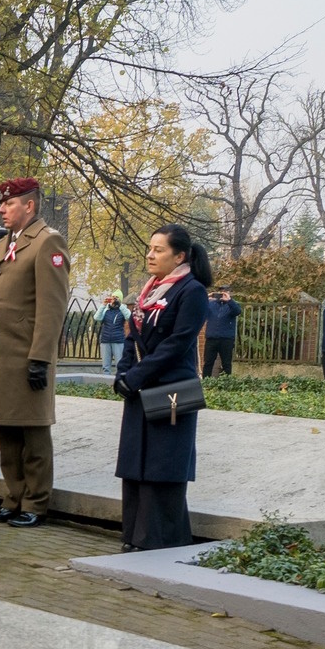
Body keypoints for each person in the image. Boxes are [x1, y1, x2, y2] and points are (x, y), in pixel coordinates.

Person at [114, 223, 211, 551]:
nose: (150, 255)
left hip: (172, 390)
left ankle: (158, 539)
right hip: (141, 388)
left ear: (179, 255)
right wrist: (123, 371)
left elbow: (178, 343)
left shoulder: (191, 291)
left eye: (158, 250)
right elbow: (134, 334)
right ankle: (134, 536)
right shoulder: (150, 290)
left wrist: (137, 375)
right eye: (150, 248)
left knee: (162, 465)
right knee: (137, 462)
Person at [0, 177, 70, 527]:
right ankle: (14, 497)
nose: (1, 210)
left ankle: (35, 502)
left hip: (27, 356)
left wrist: (40, 358)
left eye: (8, 204)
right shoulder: (5, 244)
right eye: (1, 205)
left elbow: (52, 308)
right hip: (0, 356)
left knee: (33, 436)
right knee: (6, 432)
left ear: (29, 206)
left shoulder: (48, 242)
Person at [203, 284, 240, 377]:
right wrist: (206, 297)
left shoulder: (233, 305)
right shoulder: (211, 304)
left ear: (230, 293)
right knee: (208, 362)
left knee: (226, 363)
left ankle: (226, 384)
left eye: (226, 291)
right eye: (221, 291)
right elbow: (197, 308)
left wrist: (229, 301)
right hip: (211, 338)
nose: (223, 294)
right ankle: (206, 383)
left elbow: (237, 311)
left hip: (226, 339)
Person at [98, 294, 128, 377]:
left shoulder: (122, 310)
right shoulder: (106, 310)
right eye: (113, 297)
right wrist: (103, 304)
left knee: (120, 365)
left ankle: (119, 383)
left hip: (118, 341)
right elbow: (97, 317)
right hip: (105, 340)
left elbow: (129, 317)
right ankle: (106, 385)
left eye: (116, 297)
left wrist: (120, 305)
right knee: (105, 366)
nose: (113, 299)